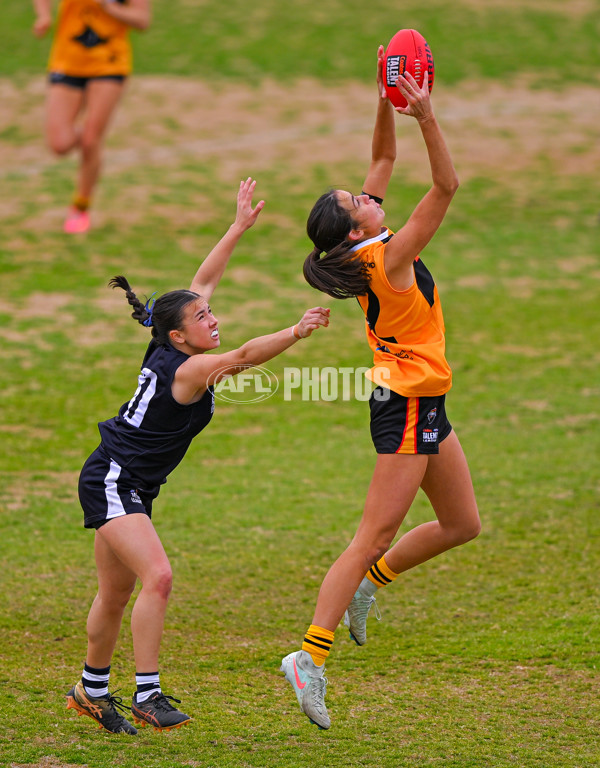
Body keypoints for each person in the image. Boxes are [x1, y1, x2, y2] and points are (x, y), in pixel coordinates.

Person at [66, 178, 330, 734]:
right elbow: (244, 355)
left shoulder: (167, 338)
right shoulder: (190, 367)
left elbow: (201, 281)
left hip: (127, 480)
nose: (211, 317)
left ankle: (90, 691)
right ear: (180, 338)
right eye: (203, 318)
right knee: (157, 578)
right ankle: (147, 693)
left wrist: (236, 228)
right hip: (113, 479)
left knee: (115, 593)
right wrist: (297, 331)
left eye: (208, 312)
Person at [280, 48, 481, 730]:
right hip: (405, 406)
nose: (366, 193)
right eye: (357, 200)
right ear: (356, 228)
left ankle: (372, 587)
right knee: (373, 532)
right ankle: (309, 655)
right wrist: (426, 116)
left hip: (425, 398)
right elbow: (447, 185)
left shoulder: (364, 242)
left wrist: (383, 99)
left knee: (461, 525)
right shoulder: (387, 255)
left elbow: (382, 163)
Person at [32, 0, 151, 234]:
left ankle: (80, 207)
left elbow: (142, 20)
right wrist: (44, 15)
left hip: (110, 63)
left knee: (90, 140)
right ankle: (89, 141)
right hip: (67, 61)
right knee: (60, 144)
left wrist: (109, 6)